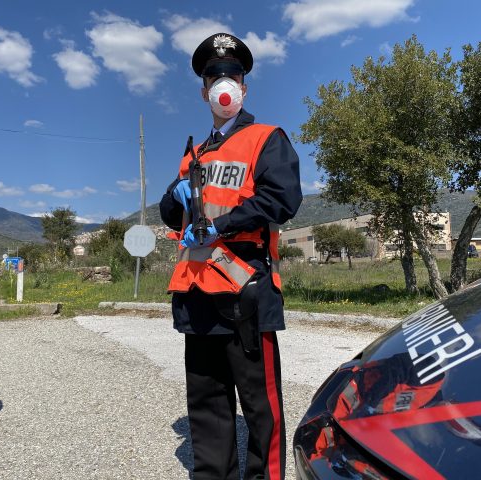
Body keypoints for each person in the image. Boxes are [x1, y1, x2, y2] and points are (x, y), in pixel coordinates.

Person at [159, 33, 302, 480]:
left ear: (244, 86)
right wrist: (175, 193)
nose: (225, 82)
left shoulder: (266, 139)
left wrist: (224, 223)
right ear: (204, 90)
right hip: (196, 290)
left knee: (260, 404)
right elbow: (170, 212)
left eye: (233, 75)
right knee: (206, 401)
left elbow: (282, 199)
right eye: (215, 76)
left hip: (244, 286)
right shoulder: (194, 154)